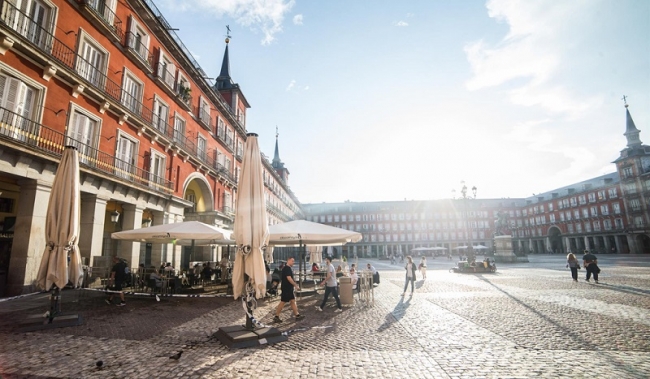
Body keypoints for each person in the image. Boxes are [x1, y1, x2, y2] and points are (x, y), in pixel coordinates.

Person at [274, 257, 304, 322]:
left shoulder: (288, 268)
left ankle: (297, 315)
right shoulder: (287, 268)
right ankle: (276, 316)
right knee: (283, 302)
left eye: (293, 261)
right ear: (288, 261)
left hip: (288, 288)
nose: (293, 262)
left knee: (292, 301)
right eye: (292, 261)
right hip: (286, 288)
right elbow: (289, 278)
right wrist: (295, 285)